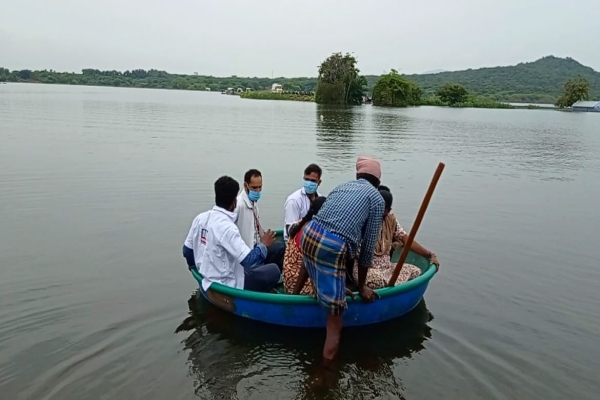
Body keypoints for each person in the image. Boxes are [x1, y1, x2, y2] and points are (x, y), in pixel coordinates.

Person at [298, 156, 385, 361]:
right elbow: (366, 250)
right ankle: (325, 372)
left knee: (319, 260)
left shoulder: (343, 186)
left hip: (308, 235)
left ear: (357, 176)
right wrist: (362, 286)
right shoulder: (377, 200)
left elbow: (348, 245)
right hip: (332, 246)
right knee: (335, 323)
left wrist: (343, 280)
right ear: (378, 183)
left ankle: (301, 296)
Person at [182, 176, 281, 293]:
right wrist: (264, 244)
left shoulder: (200, 218)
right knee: (274, 270)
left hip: (207, 276)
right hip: (229, 283)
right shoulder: (227, 227)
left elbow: (187, 251)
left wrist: (194, 268)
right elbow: (249, 261)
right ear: (234, 201)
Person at [350, 185, 440, 288]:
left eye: (384, 209)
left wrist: (429, 254)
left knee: (416, 271)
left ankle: (394, 288)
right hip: (367, 271)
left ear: (388, 210)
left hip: (387, 268)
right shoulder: (363, 219)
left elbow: (407, 241)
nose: (380, 212)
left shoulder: (391, 220)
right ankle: (390, 289)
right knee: (378, 281)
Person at [235, 169, 285, 270]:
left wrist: (263, 236)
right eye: (254, 188)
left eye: (260, 187)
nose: (257, 191)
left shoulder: (254, 203)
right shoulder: (239, 205)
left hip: (257, 245)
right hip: (246, 252)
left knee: (280, 246)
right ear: (246, 186)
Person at [282, 196, 327, 295]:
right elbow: (305, 267)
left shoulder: (300, 223)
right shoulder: (313, 232)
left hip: (289, 280)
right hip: (298, 286)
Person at [283, 163, 323, 241]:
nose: (309, 183)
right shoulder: (294, 200)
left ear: (319, 182)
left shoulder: (321, 200)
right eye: (307, 179)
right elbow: (290, 231)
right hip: (294, 241)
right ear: (303, 178)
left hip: (312, 239)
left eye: (313, 181)